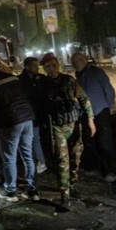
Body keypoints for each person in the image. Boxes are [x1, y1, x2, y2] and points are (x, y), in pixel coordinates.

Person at [40, 52, 96, 206]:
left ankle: (73, 183)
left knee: (76, 157)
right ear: (44, 69)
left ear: (57, 64)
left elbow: (84, 98)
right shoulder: (43, 85)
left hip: (74, 125)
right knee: (62, 160)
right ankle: (65, 193)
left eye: (53, 65)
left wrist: (91, 120)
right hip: (56, 127)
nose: (51, 69)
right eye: (47, 67)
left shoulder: (69, 80)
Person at [0, 64, 39, 202]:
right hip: (28, 117)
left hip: (10, 121)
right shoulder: (11, 77)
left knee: (9, 158)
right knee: (28, 155)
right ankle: (32, 190)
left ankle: (10, 191)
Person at [71, 51, 116, 182]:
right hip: (86, 114)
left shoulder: (97, 73)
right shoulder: (78, 75)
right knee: (90, 142)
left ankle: (111, 171)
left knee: (105, 142)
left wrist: (110, 107)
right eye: (74, 62)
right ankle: (94, 168)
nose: (76, 64)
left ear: (85, 59)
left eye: (78, 60)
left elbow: (109, 90)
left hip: (100, 111)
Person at [18, 57, 49, 174]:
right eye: (34, 66)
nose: (37, 68)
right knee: (34, 139)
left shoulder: (40, 79)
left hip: (38, 114)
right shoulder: (21, 81)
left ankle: (38, 162)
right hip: (30, 115)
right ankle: (40, 162)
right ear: (27, 67)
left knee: (35, 139)